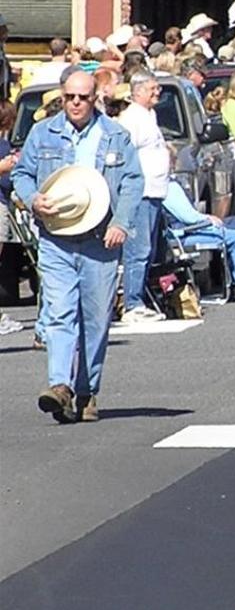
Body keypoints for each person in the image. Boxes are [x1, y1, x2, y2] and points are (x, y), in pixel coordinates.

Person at [16, 70, 143, 423]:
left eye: (83, 97)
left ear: (94, 99)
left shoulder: (115, 136)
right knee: (59, 312)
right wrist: (32, 199)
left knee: (96, 319)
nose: (75, 103)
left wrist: (121, 223)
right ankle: (59, 386)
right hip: (56, 237)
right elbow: (23, 174)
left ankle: (86, 390)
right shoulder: (43, 133)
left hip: (99, 239)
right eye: (70, 96)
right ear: (62, 96)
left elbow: (133, 182)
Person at [113, 71, 170, 323]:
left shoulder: (150, 115)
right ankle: (132, 304)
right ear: (137, 92)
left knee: (150, 250)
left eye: (157, 88)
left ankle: (140, 299)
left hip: (156, 192)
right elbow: (123, 157)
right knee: (138, 250)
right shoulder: (131, 119)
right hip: (141, 194)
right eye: (152, 89)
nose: (157, 92)